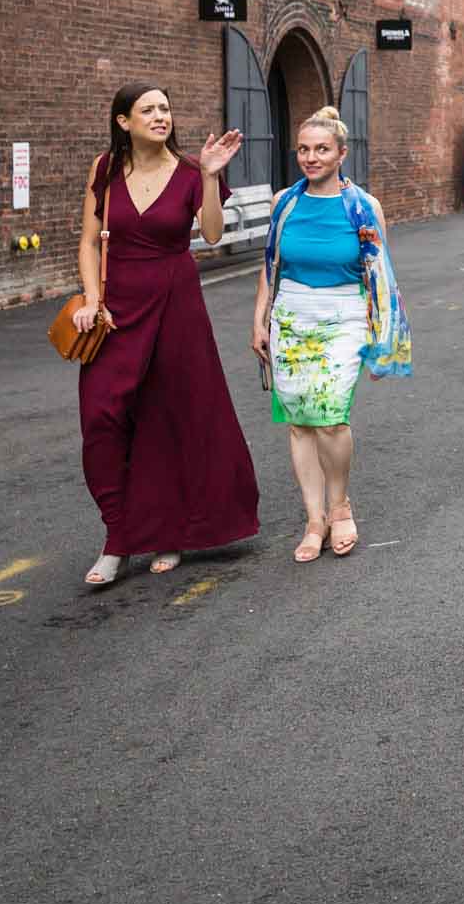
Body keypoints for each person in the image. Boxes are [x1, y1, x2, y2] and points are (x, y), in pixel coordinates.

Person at [74, 84, 260, 586]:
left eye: (165, 109)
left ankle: (168, 532)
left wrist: (209, 175)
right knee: (102, 419)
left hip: (176, 304)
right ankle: (118, 533)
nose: (160, 117)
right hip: (116, 310)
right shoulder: (104, 169)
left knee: (167, 419)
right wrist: (91, 300)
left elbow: (215, 235)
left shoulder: (187, 171)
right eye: (148, 110)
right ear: (123, 122)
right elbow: (89, 243)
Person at [251, 106, 410, 563]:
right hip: (291, 316)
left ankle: (340, 506)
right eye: (303, 149)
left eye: (321, 149)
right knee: (300, 421)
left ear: (342, 153)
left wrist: (386, 340)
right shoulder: (285, 202)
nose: (311, 157)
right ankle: (314, 518)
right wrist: (260, 318)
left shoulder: (362, 206)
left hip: (344, 315)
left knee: (332, 416)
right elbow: (271, 266)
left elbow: (381, 277)